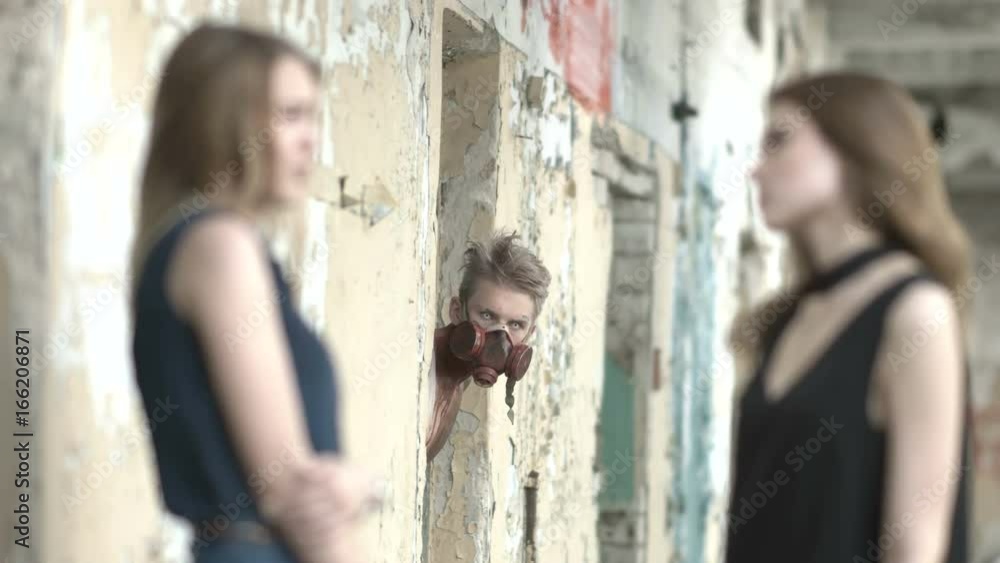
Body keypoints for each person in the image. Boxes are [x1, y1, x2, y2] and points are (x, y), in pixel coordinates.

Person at [129, 23, 380, 563]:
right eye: (290, 115)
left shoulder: (201, 241)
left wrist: (363, 488)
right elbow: (293, 494)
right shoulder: (220, 245)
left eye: (313, 116)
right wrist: (359, 488)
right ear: (226, 123)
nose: (311, 139)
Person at [725, 72, 973, 563]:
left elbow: (916, 550)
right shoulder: (787, 319)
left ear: (856, 148)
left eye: (779, 141)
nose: (756, 170)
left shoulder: (915, 312)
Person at [425, 231, 552, 460]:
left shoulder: (454, 388)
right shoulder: (421, 369)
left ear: (529, 334)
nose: (500, 337)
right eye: (486, 315)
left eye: (516, 324)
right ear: (457, 311)